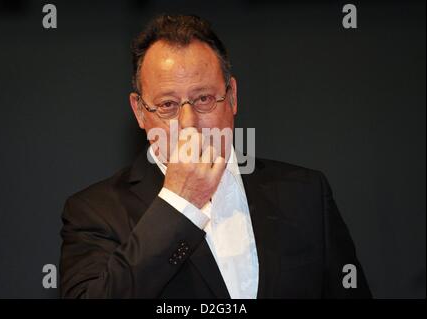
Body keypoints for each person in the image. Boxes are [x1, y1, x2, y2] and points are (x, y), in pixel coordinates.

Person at [59, 14, 372, 298]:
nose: (188, 123)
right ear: (140, 111)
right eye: (167, 105)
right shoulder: (94, 212)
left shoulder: (305, 193)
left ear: (232, 97)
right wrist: (179, 203)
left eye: (204, 99)